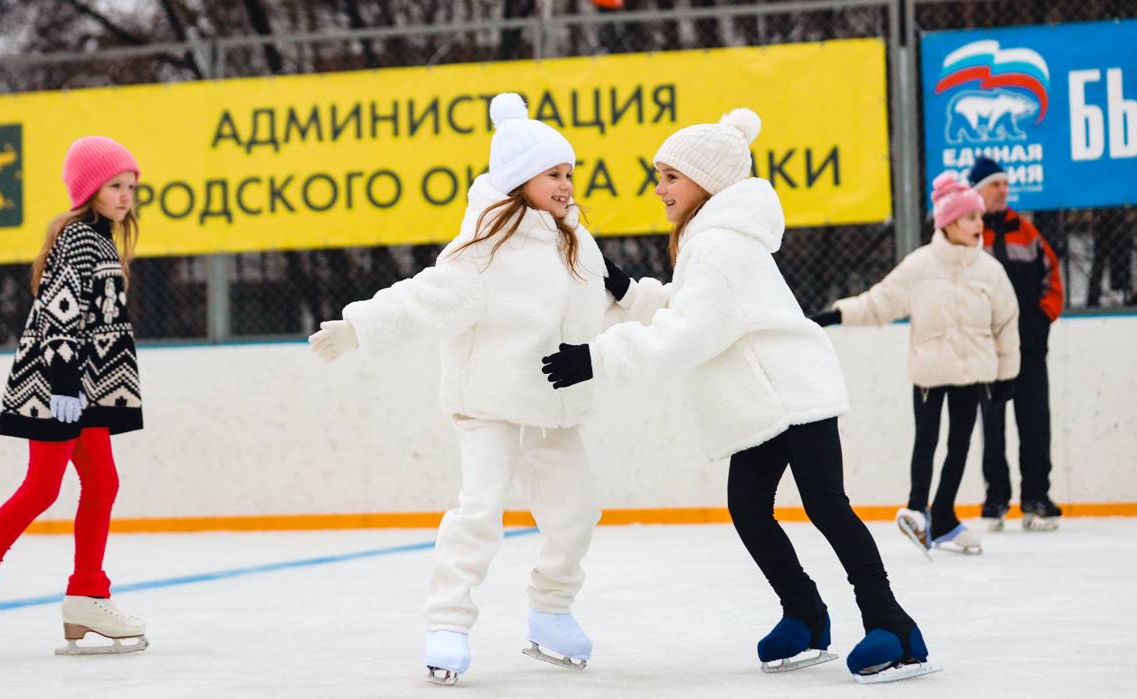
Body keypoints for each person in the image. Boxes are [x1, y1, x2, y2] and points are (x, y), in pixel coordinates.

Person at [541, 108, 934, 684]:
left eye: (671, 177)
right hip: (762, 403)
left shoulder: (719, 245)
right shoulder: (710, 241)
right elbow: (696, 309)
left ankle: (893, 626)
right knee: (749, 510)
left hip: (792, 393)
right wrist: (633, 293)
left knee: (826, 505)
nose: (659, 189)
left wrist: (595, 358)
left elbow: (690, 332)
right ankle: (805, 614)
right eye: (659, 177)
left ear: (706, 181)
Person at [308, 93, 659, 686]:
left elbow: (603, 303)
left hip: (554, 408)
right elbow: (425, 298)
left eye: (569, 174)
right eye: (554, 175)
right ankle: (447, 624)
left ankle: (551, 611)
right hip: (490, 406)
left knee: (576, 514)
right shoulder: (485, 250)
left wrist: (658, 307)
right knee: (480, 512)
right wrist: (358, 326)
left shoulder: (575, 240)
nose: (567, 185)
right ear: (521, 180)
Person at [0, 136, 148, 664]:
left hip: (86, 389)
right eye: (115, 185)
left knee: (102, 482)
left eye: (130, 187)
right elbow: (61, 310)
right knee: (41, 487)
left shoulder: (101, 240)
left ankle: (87, 593)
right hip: (59, 388)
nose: (125, 196)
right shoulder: (78, 239)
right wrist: (63, 382)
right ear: (90, 189)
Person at [813, 173, 1020, 557]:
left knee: (959, 446)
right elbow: (879, 302)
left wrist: (1006, 376)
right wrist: (836, 314)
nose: (979, 224)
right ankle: (916, 509)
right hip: (930, 372)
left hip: (973, 373)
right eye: (971, 217)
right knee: (927, 439)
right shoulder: (920, 266)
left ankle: (943, 518)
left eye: (979, 217)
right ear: (949, 222)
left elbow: (1006, 324)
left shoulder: (990, 271)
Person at [968, 156, 1065, 531]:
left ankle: (1036, 498)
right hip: (988, 351)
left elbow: (1052, 280)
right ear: (978, 190)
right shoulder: (970, 236)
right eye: (995, 184)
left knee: (1036, 423)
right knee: (992, 427)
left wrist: (1040, 321)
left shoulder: (1026, 232)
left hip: (1029, 348)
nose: (1003, 190)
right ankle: (996, 499)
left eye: (1006, 184)